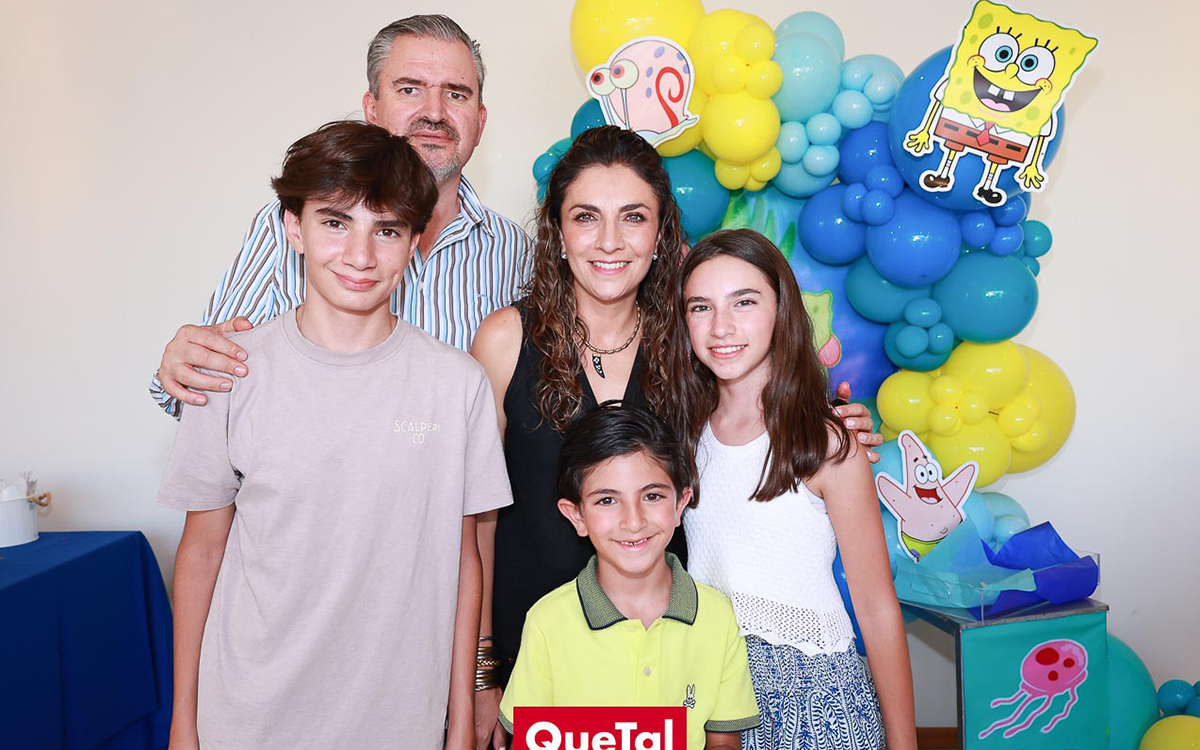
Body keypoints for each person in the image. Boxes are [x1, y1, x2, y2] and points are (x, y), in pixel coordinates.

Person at [470, 126, 882, 748]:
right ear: (556, 231)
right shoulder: (505, 340)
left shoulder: (689, 347)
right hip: (536, 665)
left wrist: (834, 422)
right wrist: (483, 670)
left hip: (669, 675)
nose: (610, 241)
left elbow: (759, 415)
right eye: (586, 216)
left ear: (662, 234)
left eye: (633, 217)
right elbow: (477, 519)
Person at [157, 121, 511, 750]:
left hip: (400, 721)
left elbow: (463, 561)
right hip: (249, 718)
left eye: (387, 230)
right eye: (335, 222)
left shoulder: (457, 384)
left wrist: (459, 723)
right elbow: (202, 553)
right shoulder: (229, 370)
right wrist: (184, 721)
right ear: (293, 227)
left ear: (414, 241)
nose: (360, 255)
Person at [150, 14, 526, 417]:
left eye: (456, 94)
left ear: (479, 122)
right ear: (372, 109)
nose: (434, 112)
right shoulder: (287, 224)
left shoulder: (515, 251)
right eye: (410, 89)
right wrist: (185, 364)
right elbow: (206, 388)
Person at [678, 229, 917, 750]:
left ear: (781, 310)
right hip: (711, 693)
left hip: (812, 698)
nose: (721, 326)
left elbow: (876, 606)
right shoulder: (683, 435)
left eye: (744, 302)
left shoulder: (826, 441)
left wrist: (904, 743)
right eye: (700, 307)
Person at [499, 402, 761, 750]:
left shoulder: (716, 617)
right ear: (576, 515)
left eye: (652, 496)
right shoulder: (547, 622)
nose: (634, 521)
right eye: (607, 500)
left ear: (680, 504)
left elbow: (724, 741)